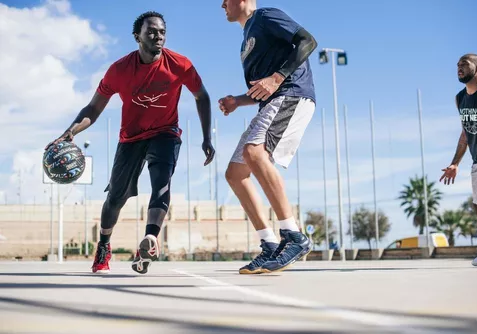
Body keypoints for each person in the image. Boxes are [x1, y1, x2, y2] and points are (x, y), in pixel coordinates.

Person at [46, 11, 215, 274]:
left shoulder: (180, 64)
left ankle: (150, 238)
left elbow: (201, 96)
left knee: (162, 182)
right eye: (152, 32)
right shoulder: (119, 70)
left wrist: (207, 137)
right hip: (131, 138)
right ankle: (104, 245)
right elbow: (94, 108)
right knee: (115, 198)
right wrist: (71, 131)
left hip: (165, 133)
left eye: (162, 32)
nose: (158, 36)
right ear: (137, 37)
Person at [219, 0, 317, 274]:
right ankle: (270, 244)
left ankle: (294, 236)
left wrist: (277, 77)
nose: (222, 4)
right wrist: (238, 101)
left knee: (254, 153)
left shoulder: (266, 16)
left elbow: (308, 41)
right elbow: (262, 90)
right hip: (272, 103)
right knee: (235, 173)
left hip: (292, 94)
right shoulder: (245, 39)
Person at [440, 53, 477, 268]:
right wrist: (455, 162)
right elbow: (465, 132)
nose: (459, 67)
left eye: (464, 64)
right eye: (457, 64)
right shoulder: (460, 98)